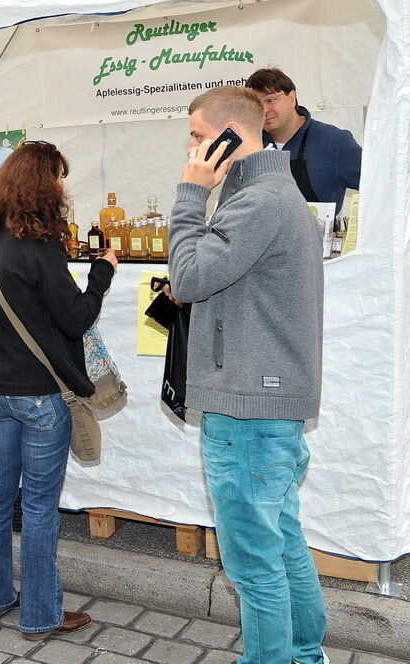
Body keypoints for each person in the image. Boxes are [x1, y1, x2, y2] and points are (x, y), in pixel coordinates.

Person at [168, 86, 326, 664]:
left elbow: (186, 280)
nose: (191, 149)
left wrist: (190, 195)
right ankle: (306, 654)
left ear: (232, 136)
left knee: (254, 566)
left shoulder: (258, 202)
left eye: (198, 136)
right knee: (281, 546)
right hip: (265, 407)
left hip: (248, 412)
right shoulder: (269, 196)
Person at [0, 142, 117, 640]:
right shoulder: (41, 245)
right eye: (59, 179)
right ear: (45, 187)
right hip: (36, 394)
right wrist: (101, 275)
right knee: (36, 506)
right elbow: (74, 318)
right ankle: (39, 614)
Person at [246, 67, 361, 213]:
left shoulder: (334, 142)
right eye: (256, 104)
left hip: (316, 235)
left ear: (292, 98)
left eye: (271, 100)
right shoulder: (248, 146)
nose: (264, 110)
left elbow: (380, 185)